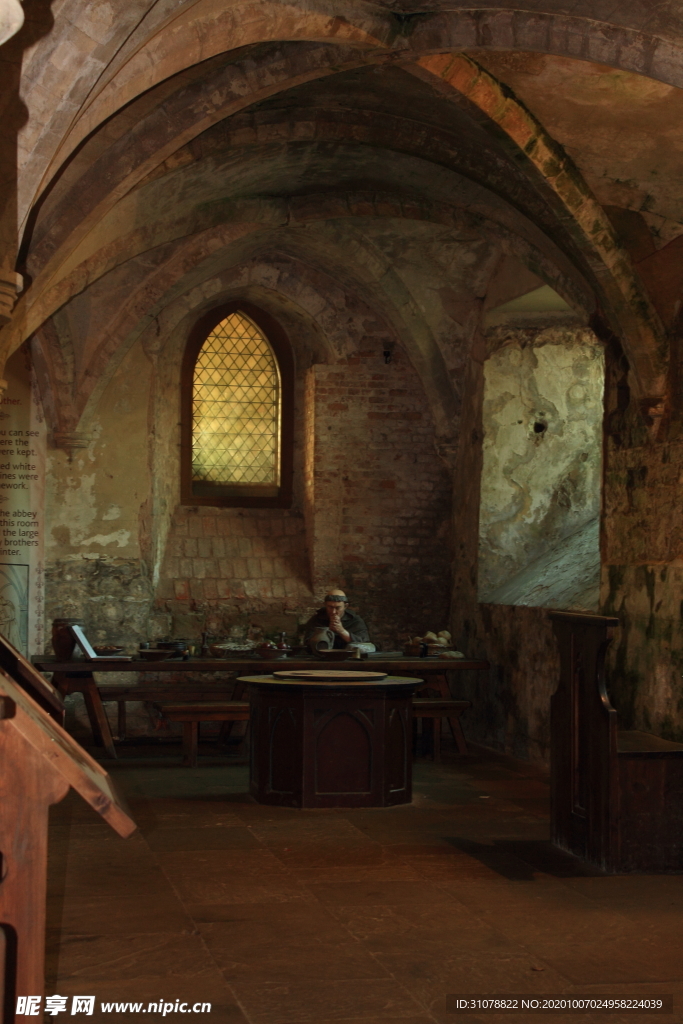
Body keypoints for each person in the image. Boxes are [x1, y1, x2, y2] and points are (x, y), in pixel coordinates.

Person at [303, 589, 373, 652]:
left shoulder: (355, 621)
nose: (333, 612)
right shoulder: (316, 619)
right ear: (325, 605)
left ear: (345, 606)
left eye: (338, 608)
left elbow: (364, 644)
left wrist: (341, 631)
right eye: (330, 607)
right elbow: (308, 644)